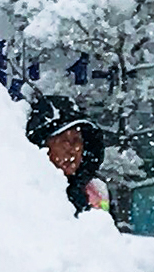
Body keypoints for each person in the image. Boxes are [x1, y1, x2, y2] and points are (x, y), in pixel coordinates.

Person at [24, 93, 122, 224]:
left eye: (77, 140)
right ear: (42, 145)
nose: (74, 149)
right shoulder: (26, 191)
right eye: (64, 141)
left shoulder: (96, 192)